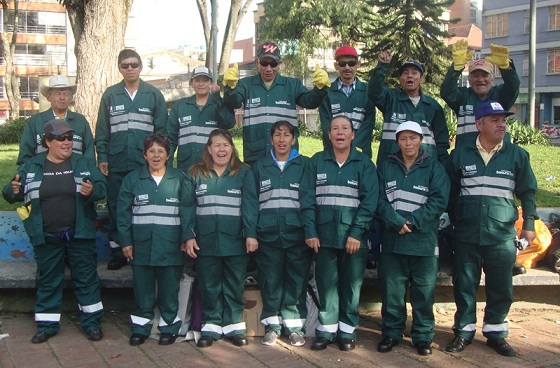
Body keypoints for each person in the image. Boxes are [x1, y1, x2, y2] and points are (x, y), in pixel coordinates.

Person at [445, 101, 538, 357]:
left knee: (500, 286)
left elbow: (528, 192)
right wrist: (453, 219)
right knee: (464, 285)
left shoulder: (517, 155)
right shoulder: (460, 154)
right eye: (495, 120)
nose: (502, 125)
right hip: (466, 233)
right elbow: (450, 193)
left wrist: (529, 224)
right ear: (479, 124)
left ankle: (496, 332)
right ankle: (463, 332)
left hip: (501, 235)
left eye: (503, 121)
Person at [2, 119, 106, 343]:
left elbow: (102, 189)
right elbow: (12, 193)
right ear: (48, 142)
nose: (67, 142)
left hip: (80, 233)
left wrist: (93, 190)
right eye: (61, 138)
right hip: (46, 234)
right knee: (48, 279)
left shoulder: (84, 163)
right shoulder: (32, 165)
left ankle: (92, 323)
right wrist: (12, 189)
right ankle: (47, 325)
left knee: (86, 279)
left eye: (70, 137)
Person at [300, 116, 378, 352]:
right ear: (329, 135)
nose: (340, 132)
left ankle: (347, 330)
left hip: (353, 238)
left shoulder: (364, 164)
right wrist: (311, 231)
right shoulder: (316, 162)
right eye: (335, 129)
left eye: (345, 128)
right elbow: (306, 199)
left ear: (353, 135)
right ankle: (327, 330)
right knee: (326, 284)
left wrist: (356, 233)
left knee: (351, 286)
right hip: (323, 238)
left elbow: (369, 202)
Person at [375, 121, 450, 356]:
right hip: (392, 241)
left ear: (421, 139)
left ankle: (422, 336)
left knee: (423, 293)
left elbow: (438, 200)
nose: (408, 143)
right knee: (392, 292)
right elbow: (377, 199)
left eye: (413, 138)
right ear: (397, 141)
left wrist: (413, 222)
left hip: (423, 243)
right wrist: (395, 221)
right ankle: (392, 332)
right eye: (403, 139)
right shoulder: (386, 166)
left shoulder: (434, 167)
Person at [183, 129, 259, 348]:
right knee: (209, 286)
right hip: (205, 242)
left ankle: (235, 327)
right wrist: (189, 235)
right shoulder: (195, 173)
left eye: (226, 145)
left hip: (236, 241)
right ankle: (211, 326)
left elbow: (250, 205)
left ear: (232, 148)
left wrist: (251, 233)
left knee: (234, 285)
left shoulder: (243, 172)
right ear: (209, 149)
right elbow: (187, 206)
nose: (221, 149)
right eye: (216, 145)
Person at [95, 49, 168, 270]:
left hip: (144, 164)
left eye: (134, 64)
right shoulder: (110, 94)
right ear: (119, 68)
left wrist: (161, 161)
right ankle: (118, 250)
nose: (130, 68)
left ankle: (141, 249)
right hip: (116, 163)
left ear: (140, 67)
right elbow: (102, 130)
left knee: (143, 205)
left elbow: (163, 133)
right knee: (118, 206)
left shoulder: (153, 95)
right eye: (125, 65)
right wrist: (103, 156)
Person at [117, 133, 189, 346]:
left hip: (171, 247)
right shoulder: (132, 179)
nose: (156, 156)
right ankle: (141, 328)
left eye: (161, 151)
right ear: (144, 155)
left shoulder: (180, 178)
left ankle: (169, 328)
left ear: (168, 155)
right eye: (151, 151)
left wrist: (187, 237)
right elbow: (122, 213)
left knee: (169, 292)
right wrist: (125, 241)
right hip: (140, 246)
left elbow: (188, 211)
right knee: (143, 292)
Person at [251, 120, 311, 347]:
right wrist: (252, 233)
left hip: (297, 234)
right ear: (271, 139)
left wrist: (309, 230)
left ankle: (295, 327)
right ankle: (273, 326)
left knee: (296, 280)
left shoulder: (304, 165)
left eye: (286, 135)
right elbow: (251, 202)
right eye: (277, 135)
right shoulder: (259, 166)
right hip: (267, 235)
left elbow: (309, 200)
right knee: (270, 280)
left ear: (294, 139)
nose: (282, 139)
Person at [222, 41, 330, 165]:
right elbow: (234, 102)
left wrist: (320, 89)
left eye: (273, 64)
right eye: (264, 63)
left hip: (287, 157)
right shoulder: (246, 84)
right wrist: (230, 88)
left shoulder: (292, 85)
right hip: (255, 157)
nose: (268, 68)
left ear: (279, 63)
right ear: (257, 62)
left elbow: (310, 102)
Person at [368, 51, 449, 166]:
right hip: (391, 166)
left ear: (422, 79)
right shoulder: (390, 99)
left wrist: (440, 169)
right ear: (401, 79)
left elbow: (441, 143)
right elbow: (373, 92)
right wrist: (382, 65)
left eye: (414, 73)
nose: (409, 76)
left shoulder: (433, 107)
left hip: (424, 168)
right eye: (405, 73)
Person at [440, 40, 520, 147]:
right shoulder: (462, 96)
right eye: (475, 75)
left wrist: (506, 68)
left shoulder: (501, 95)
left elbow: (513, 86)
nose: (480, 79)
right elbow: (446, 91)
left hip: (498, 156)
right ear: (469, 79)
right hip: (467, 155)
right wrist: (456, 68)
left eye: (485, 75)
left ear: (492, 78)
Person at [167, 66, 236, 173]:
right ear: (191, 83)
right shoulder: (180, 106)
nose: (201, 84)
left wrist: (217, 97)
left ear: (211, 83)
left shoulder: (218, 103)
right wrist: (168, 165)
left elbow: (229, 123)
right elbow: (170, 139)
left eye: (205, 80)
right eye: (197, 80)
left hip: (212, 168)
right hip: (186, 168)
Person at [17, 75, 95, 166]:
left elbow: (89, 154)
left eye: (66, 94)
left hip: (75, 175)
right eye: (58, 93)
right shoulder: (35, 122)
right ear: (48, 97)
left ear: (70, 97)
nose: (62, 97)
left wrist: (89, 173)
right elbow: (25, 156)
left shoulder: (80, 121)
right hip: (45, 175)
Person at [319, 45, 376, 158]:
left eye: (351, 63)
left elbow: (368, 124)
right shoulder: (327, 92)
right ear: (336, 66)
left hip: (360, 153)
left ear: (358, 65)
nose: (347, 67)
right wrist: (340, 147)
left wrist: (352, 146)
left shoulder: (368, 91)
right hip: (333, 153)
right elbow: (326, 125)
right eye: (342, 64)